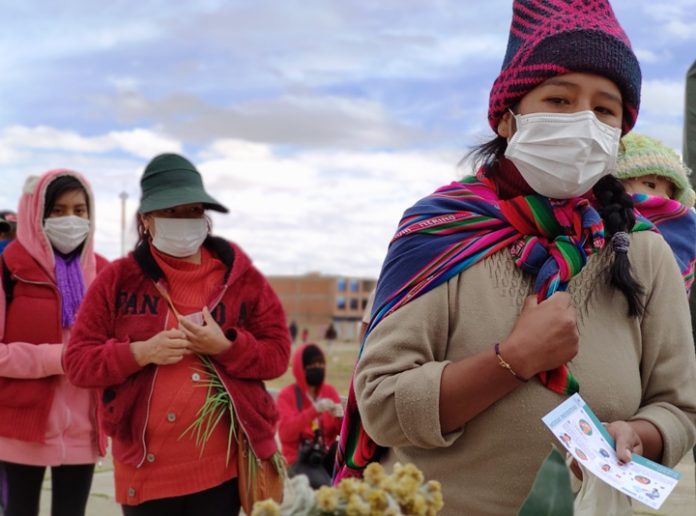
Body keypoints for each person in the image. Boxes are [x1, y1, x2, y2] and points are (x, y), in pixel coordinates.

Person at [334, 1, 696, 514]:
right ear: (509, 118)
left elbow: (680, 407)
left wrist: (642, 435)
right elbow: (382, 407)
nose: (582, 122)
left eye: (604, 109)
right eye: (559, 99)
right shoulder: (441, 231)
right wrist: (513, 361)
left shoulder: (643, 248)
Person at [63, 153, 291, 515]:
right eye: (170, 212)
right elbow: (77, 363)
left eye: (192, 210)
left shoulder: (239, 278)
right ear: (146, 220)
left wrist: (227, 347)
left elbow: (278, 353)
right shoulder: (118, 280)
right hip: (145, 473)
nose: (183, 221)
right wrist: (139, 352)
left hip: (222, 474)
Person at [0, 171, 108, 516]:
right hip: (21, 428)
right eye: (58, 210)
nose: (70, 220)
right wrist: (59, 358)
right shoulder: (8, 268)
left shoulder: (104, 273)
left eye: (79, 210)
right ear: (37, 214)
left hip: (85, 431)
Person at [613, 132, 696, 293]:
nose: (664, 198)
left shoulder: (682, 242)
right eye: (650, 185)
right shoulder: (586, 230)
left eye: (670, 194)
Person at [277, 343, 342, 488]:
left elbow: (342, 432)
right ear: (301, 368)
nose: (317, 368)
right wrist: (314, 411)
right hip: (299, 460)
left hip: (323, 456)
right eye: (312, 365)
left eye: (320, 364)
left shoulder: (329, 392)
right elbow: (286, 434)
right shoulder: (287, 395)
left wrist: (341, 417)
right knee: (321, 485)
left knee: (344, 452)